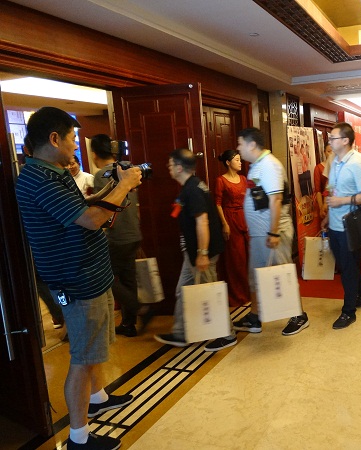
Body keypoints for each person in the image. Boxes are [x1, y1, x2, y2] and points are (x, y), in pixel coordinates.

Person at [16, 106, 141, 450]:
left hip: (90, 273)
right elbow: (89, 219)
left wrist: (113, 189)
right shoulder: (40, 179)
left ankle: (98, 398)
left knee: (94, 348)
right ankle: (78, 438)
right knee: (83, 359)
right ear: (54, 138)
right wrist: (124, 185)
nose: (75, 146)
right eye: (72, 138)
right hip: (77, 279)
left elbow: (82, 210)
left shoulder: (53, 172)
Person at [154, 149, 236, 351]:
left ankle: (227, 334)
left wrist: (203, 253)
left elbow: (202, 222)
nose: (168, 168)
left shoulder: (193, 190)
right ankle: (181, 333)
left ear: (179, 168)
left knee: (210, 292)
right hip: (193, 253)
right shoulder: (193, 185)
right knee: (183, 290)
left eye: (170, 164)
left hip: (202, 253)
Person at [233, 127, 310, 335]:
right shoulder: (256, 165)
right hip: (260, 233)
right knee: (255, 275)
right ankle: (255, 317)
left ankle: (299, 316)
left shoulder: (269, 165)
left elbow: (276, 200)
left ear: (251, 145)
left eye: (240, 144)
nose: (238, 148)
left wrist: (274, 233)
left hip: (273, 232)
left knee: (282, 274)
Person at [91, 133, 148, 337]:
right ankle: (129, 324)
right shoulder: (128, 169)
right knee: (128, 278)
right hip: (133, 232)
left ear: (94, 154)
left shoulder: (101, 175)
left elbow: (103, 209)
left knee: (105, 277)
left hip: (116, 236)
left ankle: (139, 308)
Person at [322, 122, 361, 329]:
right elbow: (333, 190)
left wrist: (342, 201)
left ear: (345, 140)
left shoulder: (356, 163)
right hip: (334, 223)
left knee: (349, 269)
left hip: (349, 226)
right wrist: (328, 216)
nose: (329, 141)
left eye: (333, 138)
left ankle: (348, 311)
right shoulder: (334, 161)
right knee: (344, 265)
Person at [214, 149, 250, 307]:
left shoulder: (243, 179)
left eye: (240, 159)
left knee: (248, 256)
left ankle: (249, 292)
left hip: (244, 218)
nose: (240, 162)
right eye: (237, 160)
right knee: (236, 259)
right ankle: (237, 295)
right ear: (228, 162)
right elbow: (218, 203)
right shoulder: (221, 180)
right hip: (230, 219)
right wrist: (224, 224)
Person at [314, 143, 333, 219]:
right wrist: (322, 206)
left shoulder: (337, 166)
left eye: (333, 151)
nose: (331, 154)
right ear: (324, 152)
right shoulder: (319, 168)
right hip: (324, 200)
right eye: (329, 151)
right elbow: (318, 190)